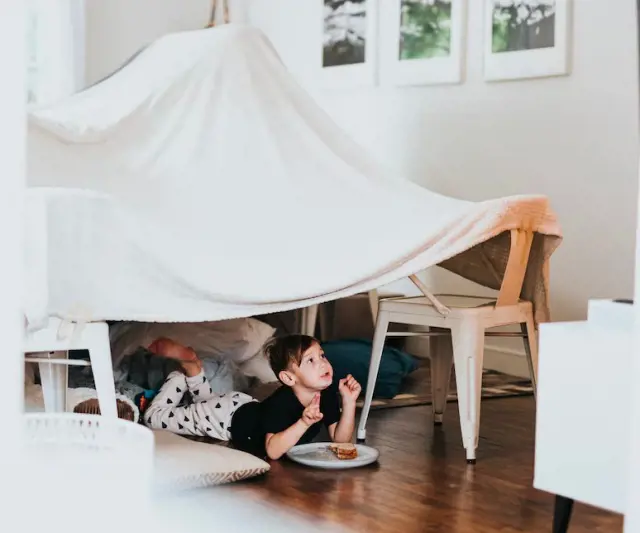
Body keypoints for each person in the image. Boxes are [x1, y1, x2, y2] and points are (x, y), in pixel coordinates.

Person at [143, 334, 361, 460]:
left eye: (322, 355)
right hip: (226, 418)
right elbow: (273, 451)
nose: (323, 363)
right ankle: (181, 374)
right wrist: (304, 422)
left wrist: (349, 402)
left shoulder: (327, 393)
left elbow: (341, 441)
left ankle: (193, 370)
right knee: (153, 418)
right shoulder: (282, 402)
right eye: (311, 360)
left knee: (203, 404)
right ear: (288, 378)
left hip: (243, 406)